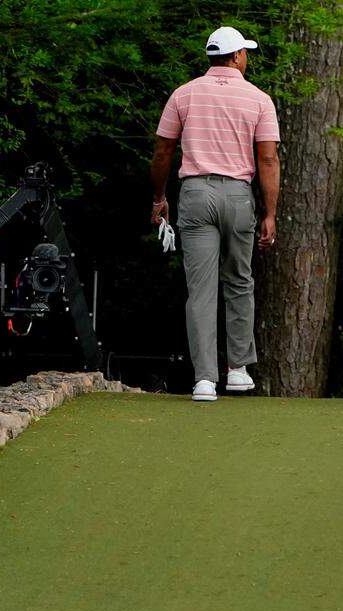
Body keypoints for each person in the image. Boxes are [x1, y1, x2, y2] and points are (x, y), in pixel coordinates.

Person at [150, 26, 281, 402]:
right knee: (239, 280)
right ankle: (237, 370)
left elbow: (162, 153)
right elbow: (268, 159)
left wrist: (159, 198)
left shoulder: (184, 94)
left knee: (201, 290)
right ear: (237, 56)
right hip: (239, 196)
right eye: (245, 53)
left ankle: (204, 380)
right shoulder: (258, 99)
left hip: (195, 193)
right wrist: (270, 212)